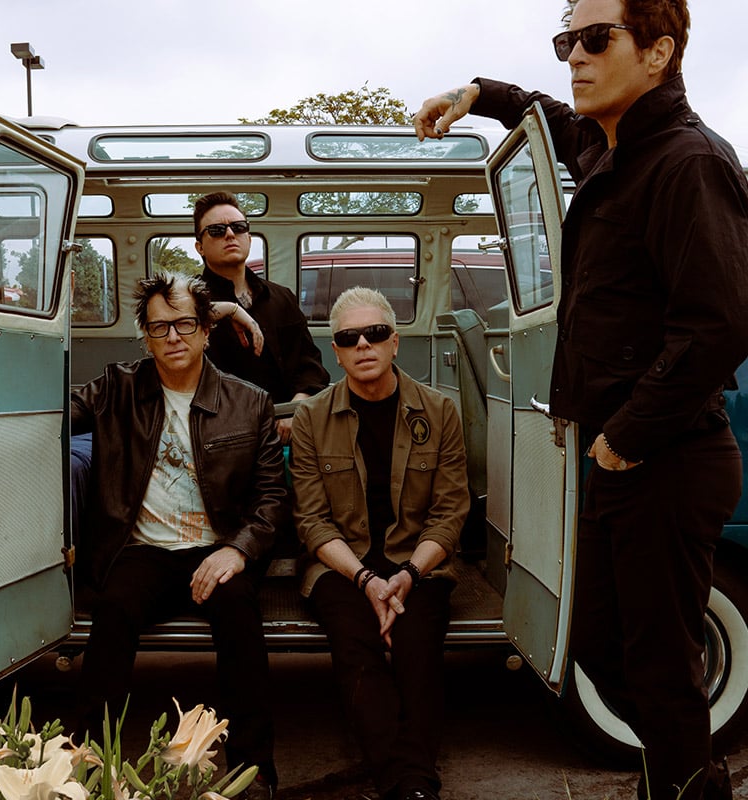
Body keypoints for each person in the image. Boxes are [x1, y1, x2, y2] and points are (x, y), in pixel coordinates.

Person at [414, 1, 748, 797]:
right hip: (623, 462)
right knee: (596, 644)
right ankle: (686, 772)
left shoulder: (688, 161)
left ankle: (683, 782)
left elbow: (720, 325)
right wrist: (478, 94)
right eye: (567, 39)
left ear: (659, 52)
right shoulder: (611, 149)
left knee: (661, 668)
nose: (574, 56)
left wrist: (624, 437)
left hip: (666, 457)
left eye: (597, 39)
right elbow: (553, 118)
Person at [71, 271, 288, 800]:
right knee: (113, 613)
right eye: (159, 327)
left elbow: (271, 497)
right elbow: (50, 410)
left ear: (206, 331)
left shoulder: (249, 402)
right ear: (145, 337)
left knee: (240, 617)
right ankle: (88, 766)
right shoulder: (116, 388)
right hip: (141, 550)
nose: (173, 337)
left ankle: (253, 771)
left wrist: (238, 550)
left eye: (185, 324)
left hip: (217, 548)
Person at [291, 287, 469, 800]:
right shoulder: (311, 418)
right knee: (355, 645)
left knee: (418, 645)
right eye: (349, 338)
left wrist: (408, 575)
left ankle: (407, 782)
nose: (363, 345)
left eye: (375, 333)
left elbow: (449, 513)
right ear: (336, 351)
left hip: (418, 562)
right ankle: (409, 783)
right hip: (341, 566)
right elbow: (312, 521)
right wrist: (367, 580)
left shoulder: (440, 411)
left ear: (395, 342)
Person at [193, 192, 330, 443]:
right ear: (199, 246)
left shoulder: (281, 297)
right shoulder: (189, 303)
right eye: (216, 230)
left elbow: (310, 365)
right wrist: (228, 310)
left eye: (238, 227)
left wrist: (295, 407)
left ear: (248, 236)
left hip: (285, 433)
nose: (230, 234)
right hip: (220, 436)